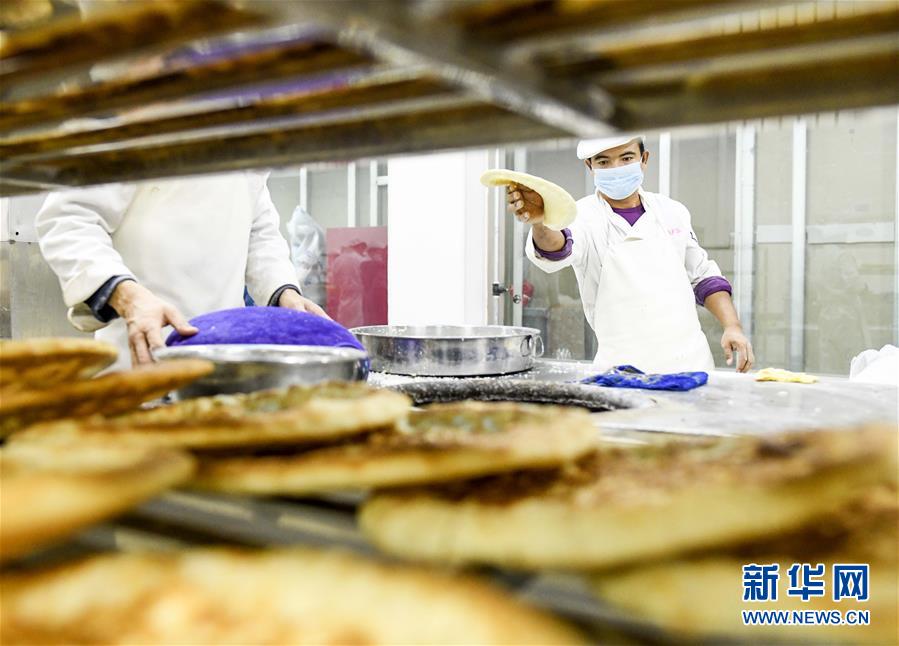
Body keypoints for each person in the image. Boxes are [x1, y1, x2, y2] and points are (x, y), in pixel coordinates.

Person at [510, 135, 754, 373]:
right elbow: (557, 247)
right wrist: (540, 223)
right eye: (604, 162)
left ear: (643, 159)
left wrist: (732, 326)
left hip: (689, 366)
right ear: (590, 166)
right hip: (622, 372)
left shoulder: (672, 212)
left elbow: (703, 276)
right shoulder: (582, 216)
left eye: (626, 158)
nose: (616, 168)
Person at [36, 171, 327, 370]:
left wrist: (283, 291)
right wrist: (125, 295)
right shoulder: (137, 116)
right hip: (143, 354)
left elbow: (260, 232)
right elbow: (68, 219)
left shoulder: (245, 131)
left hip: (226, 357)